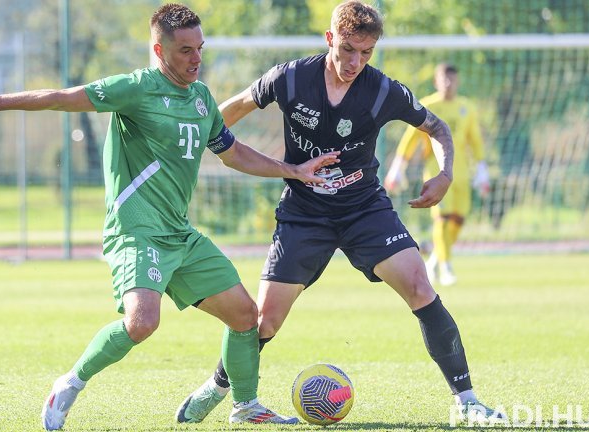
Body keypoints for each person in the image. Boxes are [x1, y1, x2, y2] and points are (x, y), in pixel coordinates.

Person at [0, 4, 341, 430]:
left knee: (246, 317)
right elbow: (61, 97)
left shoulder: (201, 98)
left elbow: (235, 154)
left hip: (180, 235)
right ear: (159, 50)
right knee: (142, 322)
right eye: (185, 50)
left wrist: (293, 170)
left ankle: (245, 405)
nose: (196, 58)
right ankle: (71, 383)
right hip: (136, 232)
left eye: (200, 48)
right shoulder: (136, 88)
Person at [175, 0, 505, 425]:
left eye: (366, 53)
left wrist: (445, 174)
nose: (355, 62)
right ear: (330, 38)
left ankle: (468, 401)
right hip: (304, 211)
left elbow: (437, 127)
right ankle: (218, 387)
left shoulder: (382, 90)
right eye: (348, 49)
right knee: (263, 321)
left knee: (420, 286)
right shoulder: (291, 78)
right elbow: (233, 108)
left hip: (363, 208)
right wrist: (192, 140)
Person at [384, 63, 490, 286]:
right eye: (444, 79)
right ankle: (446, 266)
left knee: (458, 219)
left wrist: (482, 168)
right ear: (436, 81)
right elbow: (410, 139)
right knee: (442, 218)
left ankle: (435, 258)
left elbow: (475, 140)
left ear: (458, 82)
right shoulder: (428, 105)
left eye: (452, 79)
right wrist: (398, 168)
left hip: (461, 172)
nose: (449, 84)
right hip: (436, 171)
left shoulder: (466, 107)